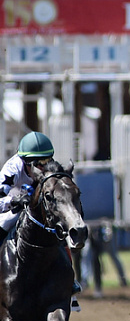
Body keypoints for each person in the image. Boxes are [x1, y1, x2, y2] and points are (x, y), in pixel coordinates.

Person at [0, 132, 81, 309]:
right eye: (37, 164)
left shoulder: (52, 168)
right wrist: (13, 201)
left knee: (59, 235)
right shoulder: (12, 169)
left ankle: (70, 282)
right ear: (25, 162)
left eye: (46, 161)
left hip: (36, 214)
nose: (43, 167)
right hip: (11, 210)